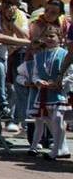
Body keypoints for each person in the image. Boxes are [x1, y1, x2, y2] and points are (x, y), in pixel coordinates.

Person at [17, 21, 68, 159]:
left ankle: (57, 150)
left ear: (59, 37)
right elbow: (35, 74)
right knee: (49, 121)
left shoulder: (64, 54)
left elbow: (70, 71)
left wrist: (61, 82)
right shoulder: (38, 56)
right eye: (47, 36)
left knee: (58, 119)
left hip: (60, 92)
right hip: (44, 93)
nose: (49, 39)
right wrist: (38, 81)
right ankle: (59, 148)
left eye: (52, 36)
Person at [0, 0, 30, 134]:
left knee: (14, 89)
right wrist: (23, 43)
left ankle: (11, 121)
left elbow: (26, 36)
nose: (5, 5)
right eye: (4, 1)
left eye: (10, 3)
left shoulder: (20, 16)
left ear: (17, 5)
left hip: (9, 55)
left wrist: (12, 24)